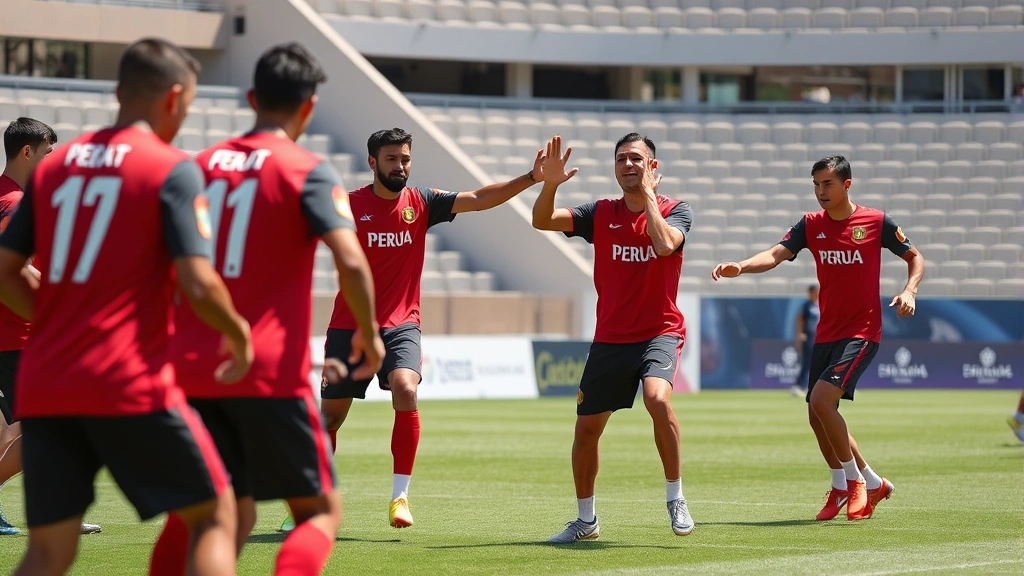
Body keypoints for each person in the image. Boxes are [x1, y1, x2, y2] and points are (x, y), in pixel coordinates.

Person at [0, 38, 252, 575]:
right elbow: (199, 282)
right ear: (175, 98)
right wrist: (238, 334)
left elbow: (4, 271)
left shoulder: (56, 169)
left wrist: (56, 324)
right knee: (216, 515)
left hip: (49, 380)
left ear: (118, 92)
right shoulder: (172, 168)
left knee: (47, 551)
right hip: (126, 377)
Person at [159, 42, 384, 576]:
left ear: (251, 98)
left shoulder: (198, 166)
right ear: (309, 107)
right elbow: (351, 260)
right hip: (267, 373)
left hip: (193, 368)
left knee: (212, 516)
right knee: (319, 512)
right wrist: (369, 331)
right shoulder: (306, 169)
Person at [308, 126, 547, 532]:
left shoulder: (421, 202)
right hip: (349, 326)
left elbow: (479, 199)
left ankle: (400, 497)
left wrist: (530, 178)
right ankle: (314, 500)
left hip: (402, 324)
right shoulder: (347, 206)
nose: (400, 166)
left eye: (405, 159)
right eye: (391, 159)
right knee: (330, 420)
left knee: (406, 388)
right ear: (372, 162)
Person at [712, 155, 924, 522]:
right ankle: (859, 483)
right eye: (815, 184)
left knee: (823, 401)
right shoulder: (810, 224)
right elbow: (775, 254)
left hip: (862, 330)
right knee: (816, 414)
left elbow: (915, 257)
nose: (820, 191)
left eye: (827, 183)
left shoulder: (876, 222)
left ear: (847, 185)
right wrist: (742, 266)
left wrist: (910, 291)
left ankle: (854, 482)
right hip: (827, 332)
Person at [531, 134, 695, 543]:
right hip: (611, 338)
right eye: (621, 159)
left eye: (636, 158)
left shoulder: (677, 210)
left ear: (652, 167)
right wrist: (550, 185)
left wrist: (650, 197)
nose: (628, 165)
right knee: (586, 430)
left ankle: (675, 497)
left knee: (658, 399)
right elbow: (542, 220)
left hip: (659, 332)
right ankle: (586, 521)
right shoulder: (601, 212)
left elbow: (663, 245)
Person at [0, 118, 102, 537]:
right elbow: (13, 269)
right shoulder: (16, 203)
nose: (53, 162)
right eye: (48, 153)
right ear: (28, 152)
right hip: (19, 335)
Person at [791, 284, 820, 397]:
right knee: (807, 362)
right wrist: (800, 334)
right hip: (808, 337)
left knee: (815, 363)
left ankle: (810, 386)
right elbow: (799, 319)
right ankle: (798, 386)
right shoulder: (807, 305)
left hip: (816, 337)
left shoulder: (818, 305)